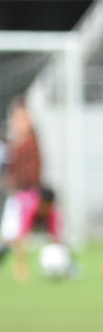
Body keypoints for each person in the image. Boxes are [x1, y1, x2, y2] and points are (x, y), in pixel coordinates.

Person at [0, 96, 44, 281]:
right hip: (16, 192)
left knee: (22, 230)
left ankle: (21, 266)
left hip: (28, 191)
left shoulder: (30, 141)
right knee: (9, 232)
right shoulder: (15, 144)